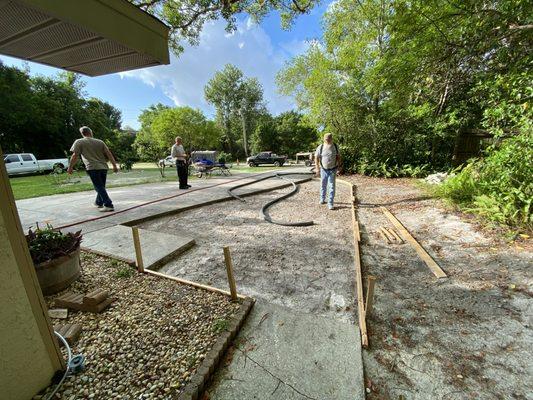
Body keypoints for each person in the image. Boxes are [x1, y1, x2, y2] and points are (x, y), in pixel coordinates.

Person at [67, 126, 118, 212]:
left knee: (99, 187)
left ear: (82, 133)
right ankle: (98, 202)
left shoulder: (79, 142)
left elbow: (75, 155)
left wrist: (70, 167)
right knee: (101, 186)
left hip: (92, 168)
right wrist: (114, 165)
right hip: (103, 167)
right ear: (91, 132)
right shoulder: (100, 142)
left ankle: (108, 205)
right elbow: (109, 154)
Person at [315, 132, 341, 210]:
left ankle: (330, 203)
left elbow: (338, 157)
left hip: (333, 169)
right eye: (326, 139)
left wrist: (339, 167)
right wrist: (317, 168)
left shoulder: (335, 146)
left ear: (331, 139)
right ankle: (322, 199)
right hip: (323, 169)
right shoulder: (321, 147)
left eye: (329, 139)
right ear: (324, 139)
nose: (327, 140)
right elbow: (316, 158)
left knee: (332, 186)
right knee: (323, 185)